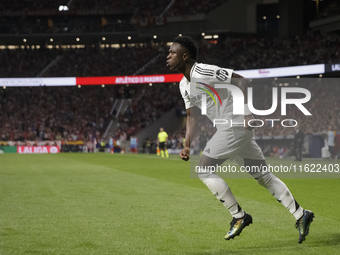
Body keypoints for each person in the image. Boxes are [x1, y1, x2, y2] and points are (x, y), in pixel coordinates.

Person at [166, 35, 314, 243]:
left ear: (185, 56)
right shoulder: (183, 85)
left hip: (234, 124)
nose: (168, 56)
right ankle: (301, 215)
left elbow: (241, 80)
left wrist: (246, 112)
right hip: (231, 130)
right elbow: (192, 116)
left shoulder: (203, 71)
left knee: (203, 170)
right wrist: (187, 145)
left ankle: (239, 216)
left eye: (172, 52)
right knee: (264, 177)